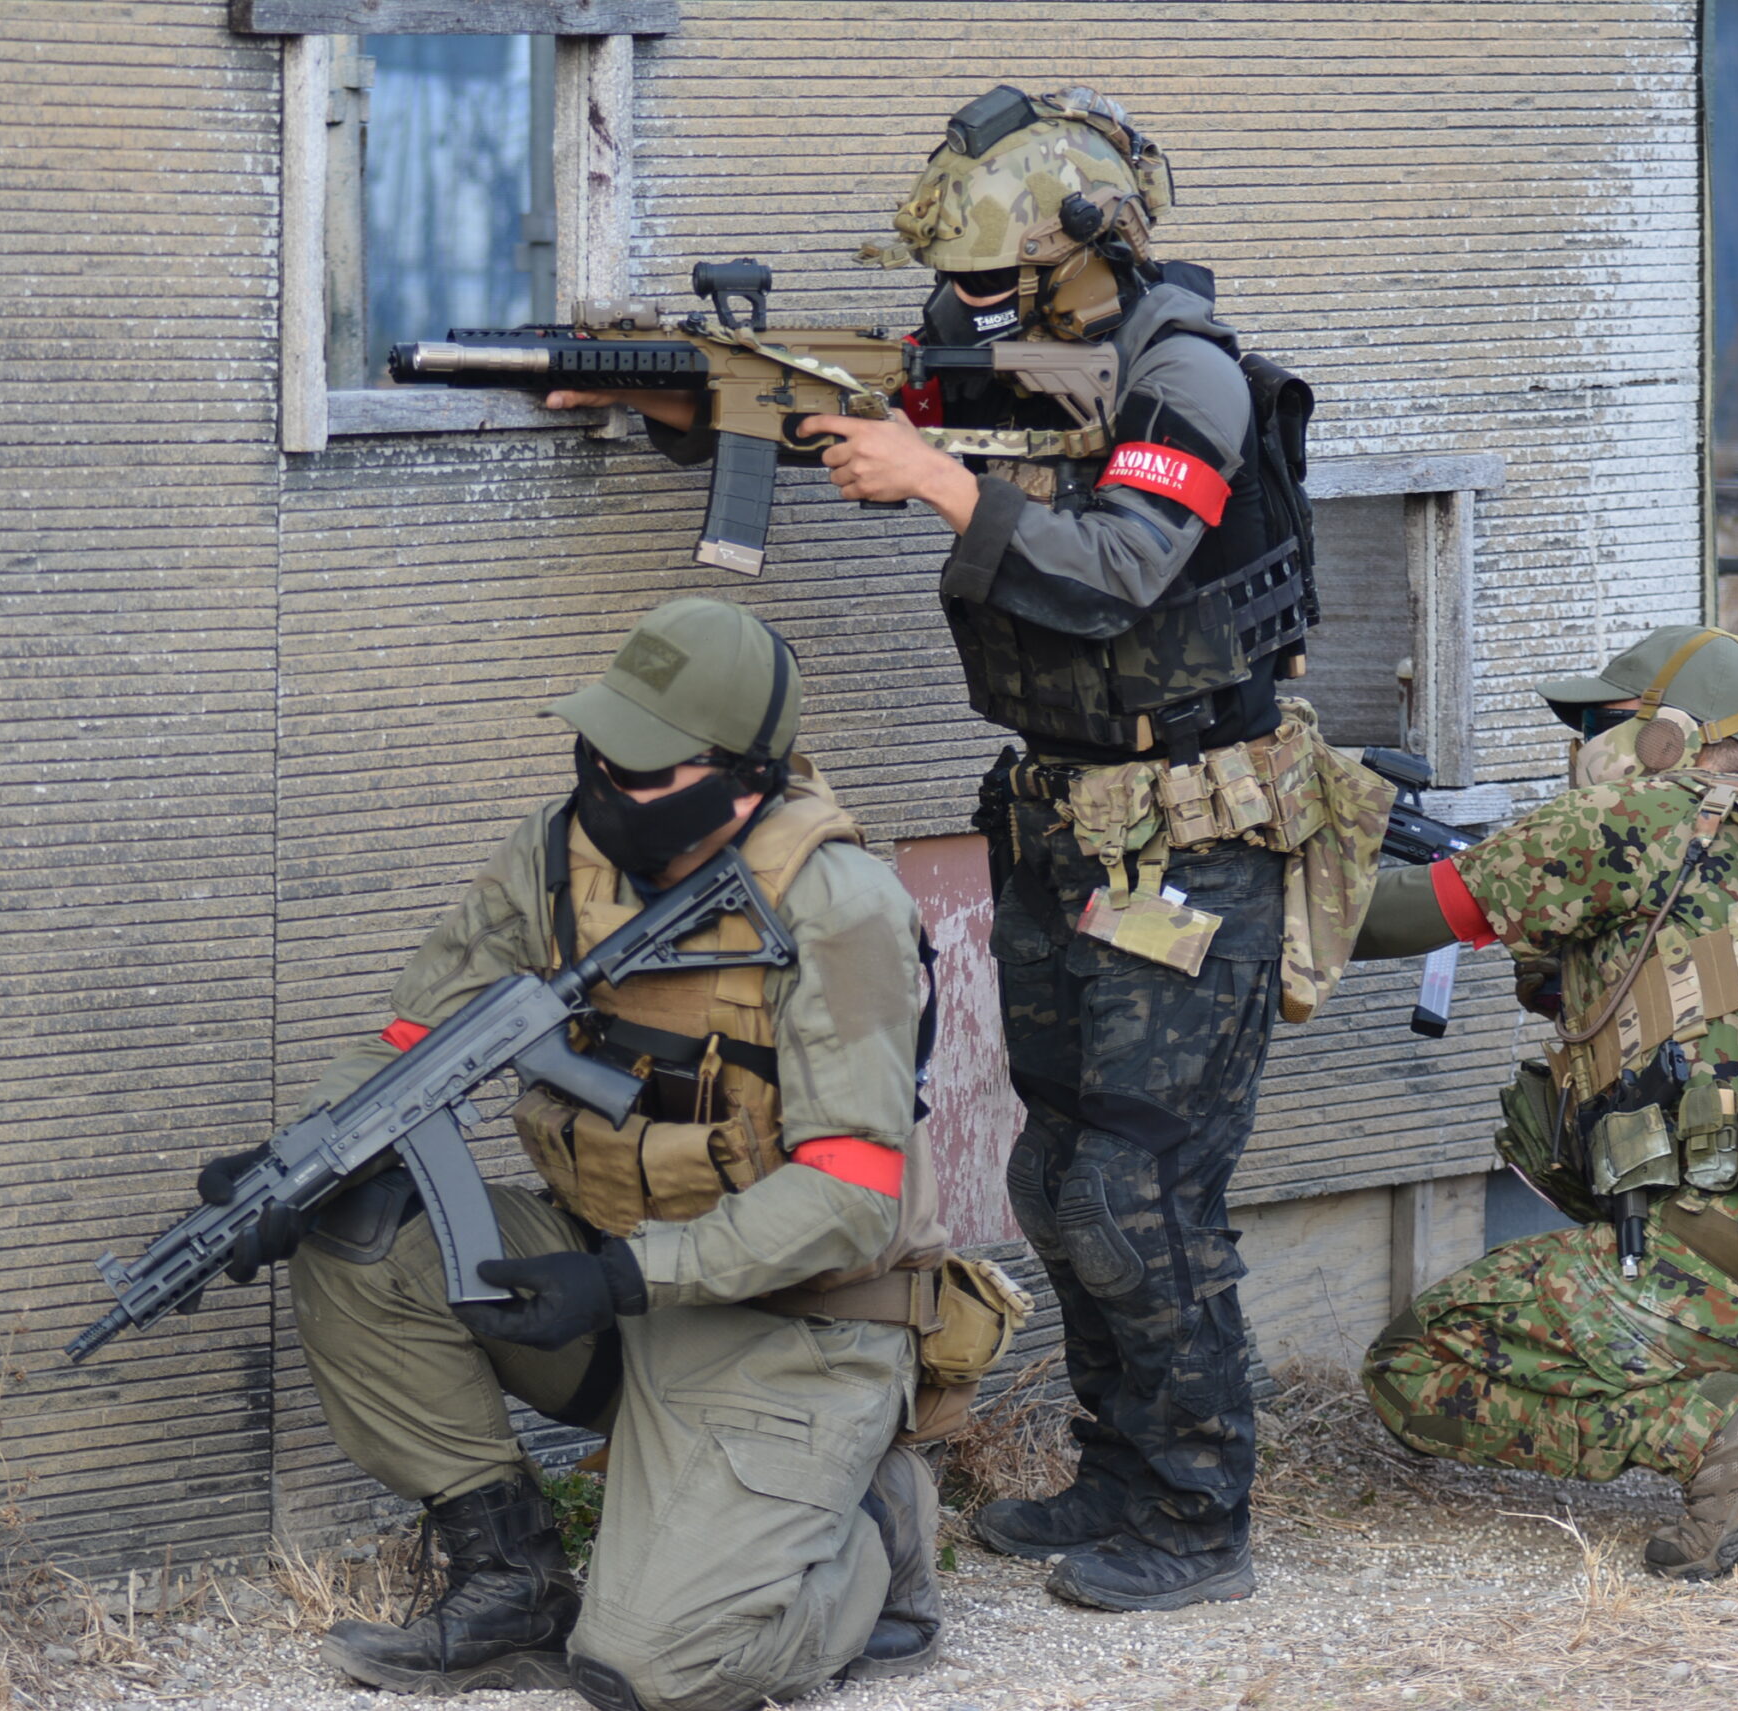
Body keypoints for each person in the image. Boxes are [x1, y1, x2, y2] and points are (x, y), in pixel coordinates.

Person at [555, 85, 1341, 1612]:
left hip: (1192, 835)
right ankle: (1121, 1468)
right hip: (1061, 818)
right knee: (1057, 1173)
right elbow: (875, 411)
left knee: (1136, 1188)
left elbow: (1119, 568)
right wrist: (695, 407)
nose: (963, 306)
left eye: (990, 279)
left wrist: (937, 482)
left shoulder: (1186, 376)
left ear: (1077, 253)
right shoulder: (1015, 353)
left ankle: (1197, 1514)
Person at [201, 598, 948, 1709]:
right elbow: (410, 1042)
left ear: (744, 777)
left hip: (793, 1326)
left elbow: (850, 1200)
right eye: (599, 750)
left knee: (654, 1669)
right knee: (358, 1228)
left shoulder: (841, 907)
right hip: (610, 1273)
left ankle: (876, 1531)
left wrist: (622, 1278)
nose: (604, 783)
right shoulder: (557, 855)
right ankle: (514, 1583)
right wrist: (293, 1160)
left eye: (641, 767)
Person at [1351, 625, 1738, 1579]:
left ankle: (1726, 1436)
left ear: (1667, 735)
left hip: (1731, 1268)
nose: (1582, 746)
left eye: (1598, 723)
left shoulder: (1640, 816)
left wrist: (1262, 878)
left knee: (1412, 1362)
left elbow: (1390, 915)